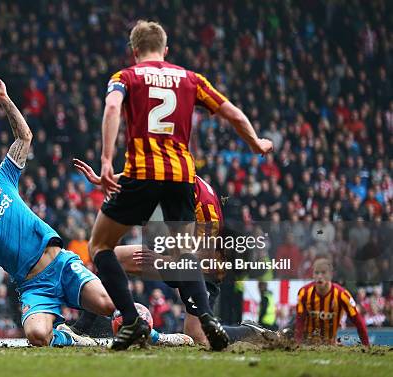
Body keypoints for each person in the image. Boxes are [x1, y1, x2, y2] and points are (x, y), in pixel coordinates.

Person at [89, 20, 273, 350]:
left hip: (143, 173)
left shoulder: (125, 77)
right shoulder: (190, 79)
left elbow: (113, 106)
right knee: (186, 252)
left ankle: (131, 320)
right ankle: (208, 316)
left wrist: (106, 160)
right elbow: (231, 112)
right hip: (180, 177)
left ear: (134, 52)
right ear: (166, 50)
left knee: (100, 247)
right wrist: (256, 143)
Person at [0, 75, 116, 347]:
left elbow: (24, 136)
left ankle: (156, 336)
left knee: (108, 305)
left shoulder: (2, 178)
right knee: (37, 336)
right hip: (33, 286)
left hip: (61, 263)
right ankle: (66, 336)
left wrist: (4, 99)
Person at [73, 159, 280, 348]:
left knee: (198, 336)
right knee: (111, 256)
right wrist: (104, 180)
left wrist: (165, 261)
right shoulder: (174, 179)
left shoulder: (201, 204)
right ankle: (82, 327)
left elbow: (202, 254)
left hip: (205, 265)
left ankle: (251, 332)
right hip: (176, 253)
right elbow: (139, 175)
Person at [295, 258, 369, 347]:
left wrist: (366, 346)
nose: (319, 276)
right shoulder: (304, 293)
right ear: (313, 275)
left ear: (331, 275)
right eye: (316, 273)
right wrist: (297, 344)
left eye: (323, 273)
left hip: (329, 344)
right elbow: (299, 321)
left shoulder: (342, 295)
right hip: (308, 343)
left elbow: (358, 321)